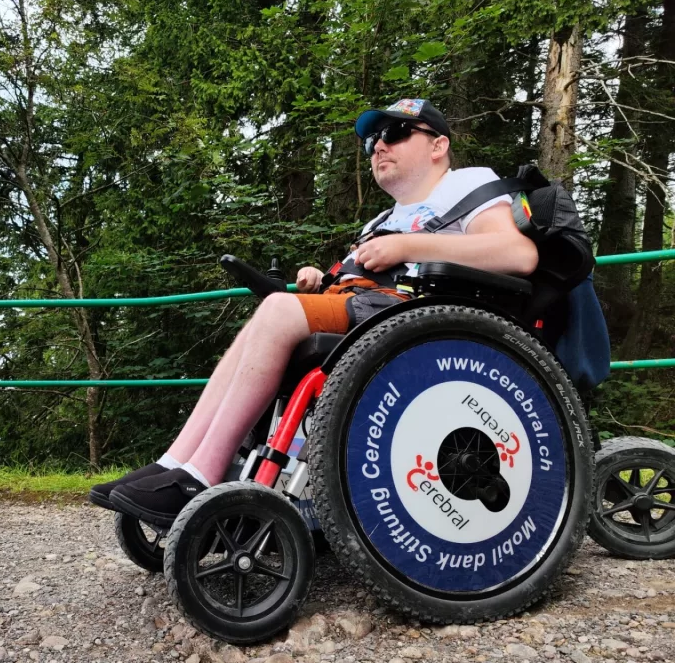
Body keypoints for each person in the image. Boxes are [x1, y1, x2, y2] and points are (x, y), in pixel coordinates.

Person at [91, 99, 539, 527]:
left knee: (278, 311)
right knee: (268, 316)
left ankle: (203, 476)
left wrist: (407, 245)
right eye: (372, 141)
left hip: (423, 319)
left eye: (397, 133)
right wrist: (321, 280)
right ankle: (177, 461)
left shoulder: (465, 184)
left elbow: (516, 254)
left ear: (439, 145)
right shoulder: (383, 219)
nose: (379, 145)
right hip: (371, 307)